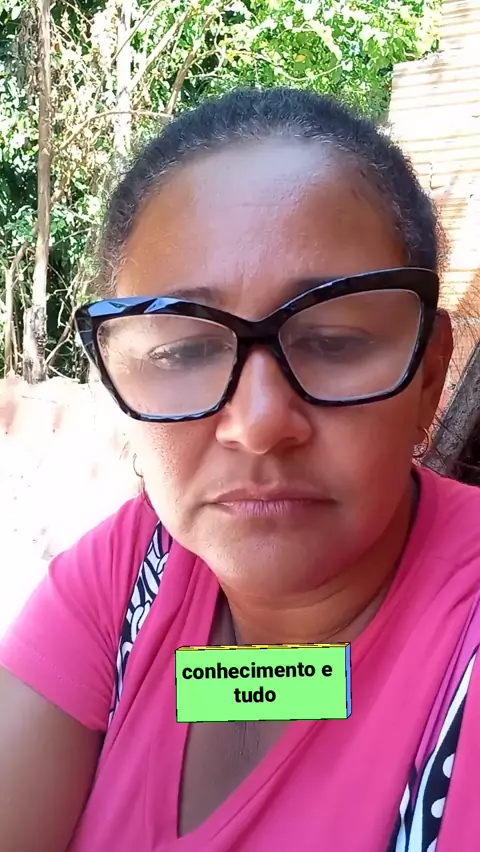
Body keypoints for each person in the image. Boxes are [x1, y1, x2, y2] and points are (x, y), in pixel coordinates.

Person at [0, 86, 479, 852]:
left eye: (333, 341)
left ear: (428, 377)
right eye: (184, 352)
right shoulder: (130, 576)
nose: (257, 426)